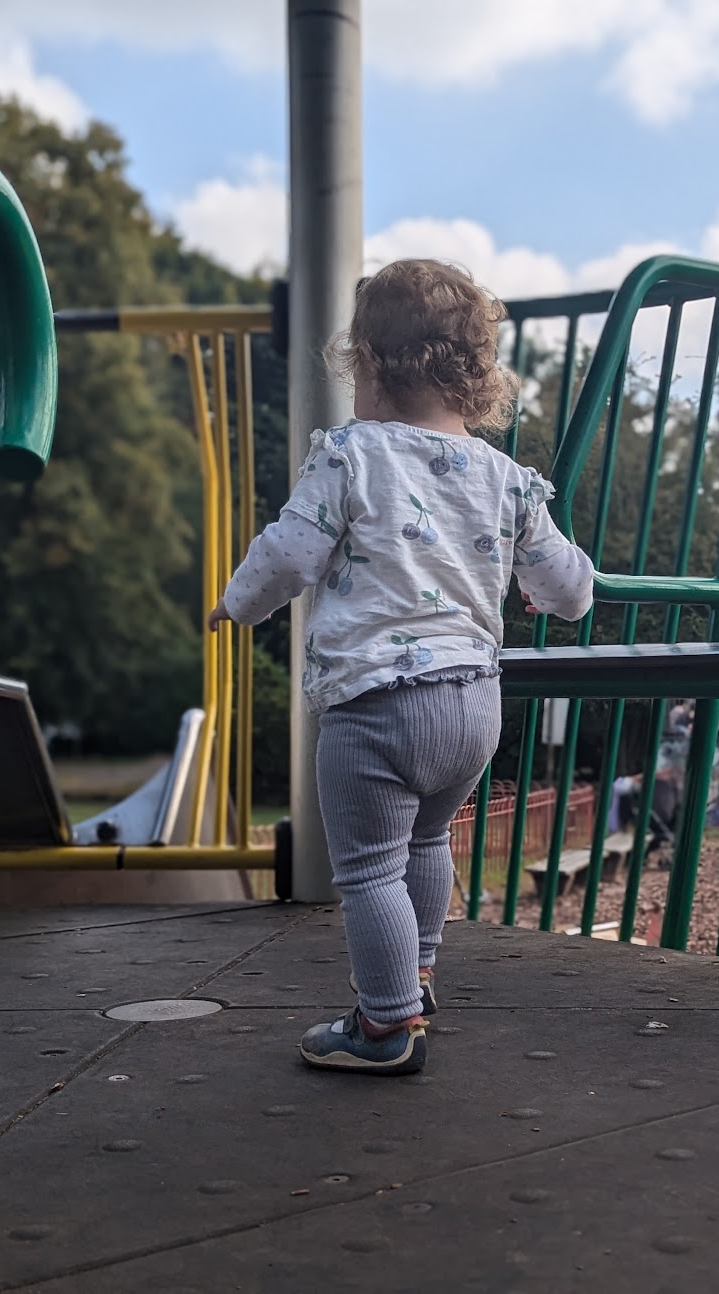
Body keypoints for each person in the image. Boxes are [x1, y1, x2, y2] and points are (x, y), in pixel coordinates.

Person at [208, 259, 596, 1075]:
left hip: (376, 706)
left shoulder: (352, 456)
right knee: (426, 843)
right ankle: (413, 979)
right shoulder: (507, 479)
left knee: (369, 867)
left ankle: (384, 1026)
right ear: (476, 379)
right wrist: (546, 593)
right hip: (472, 708)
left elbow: (288, 552)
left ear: (370, 365)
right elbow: (569, 588)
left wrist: (237, 605)